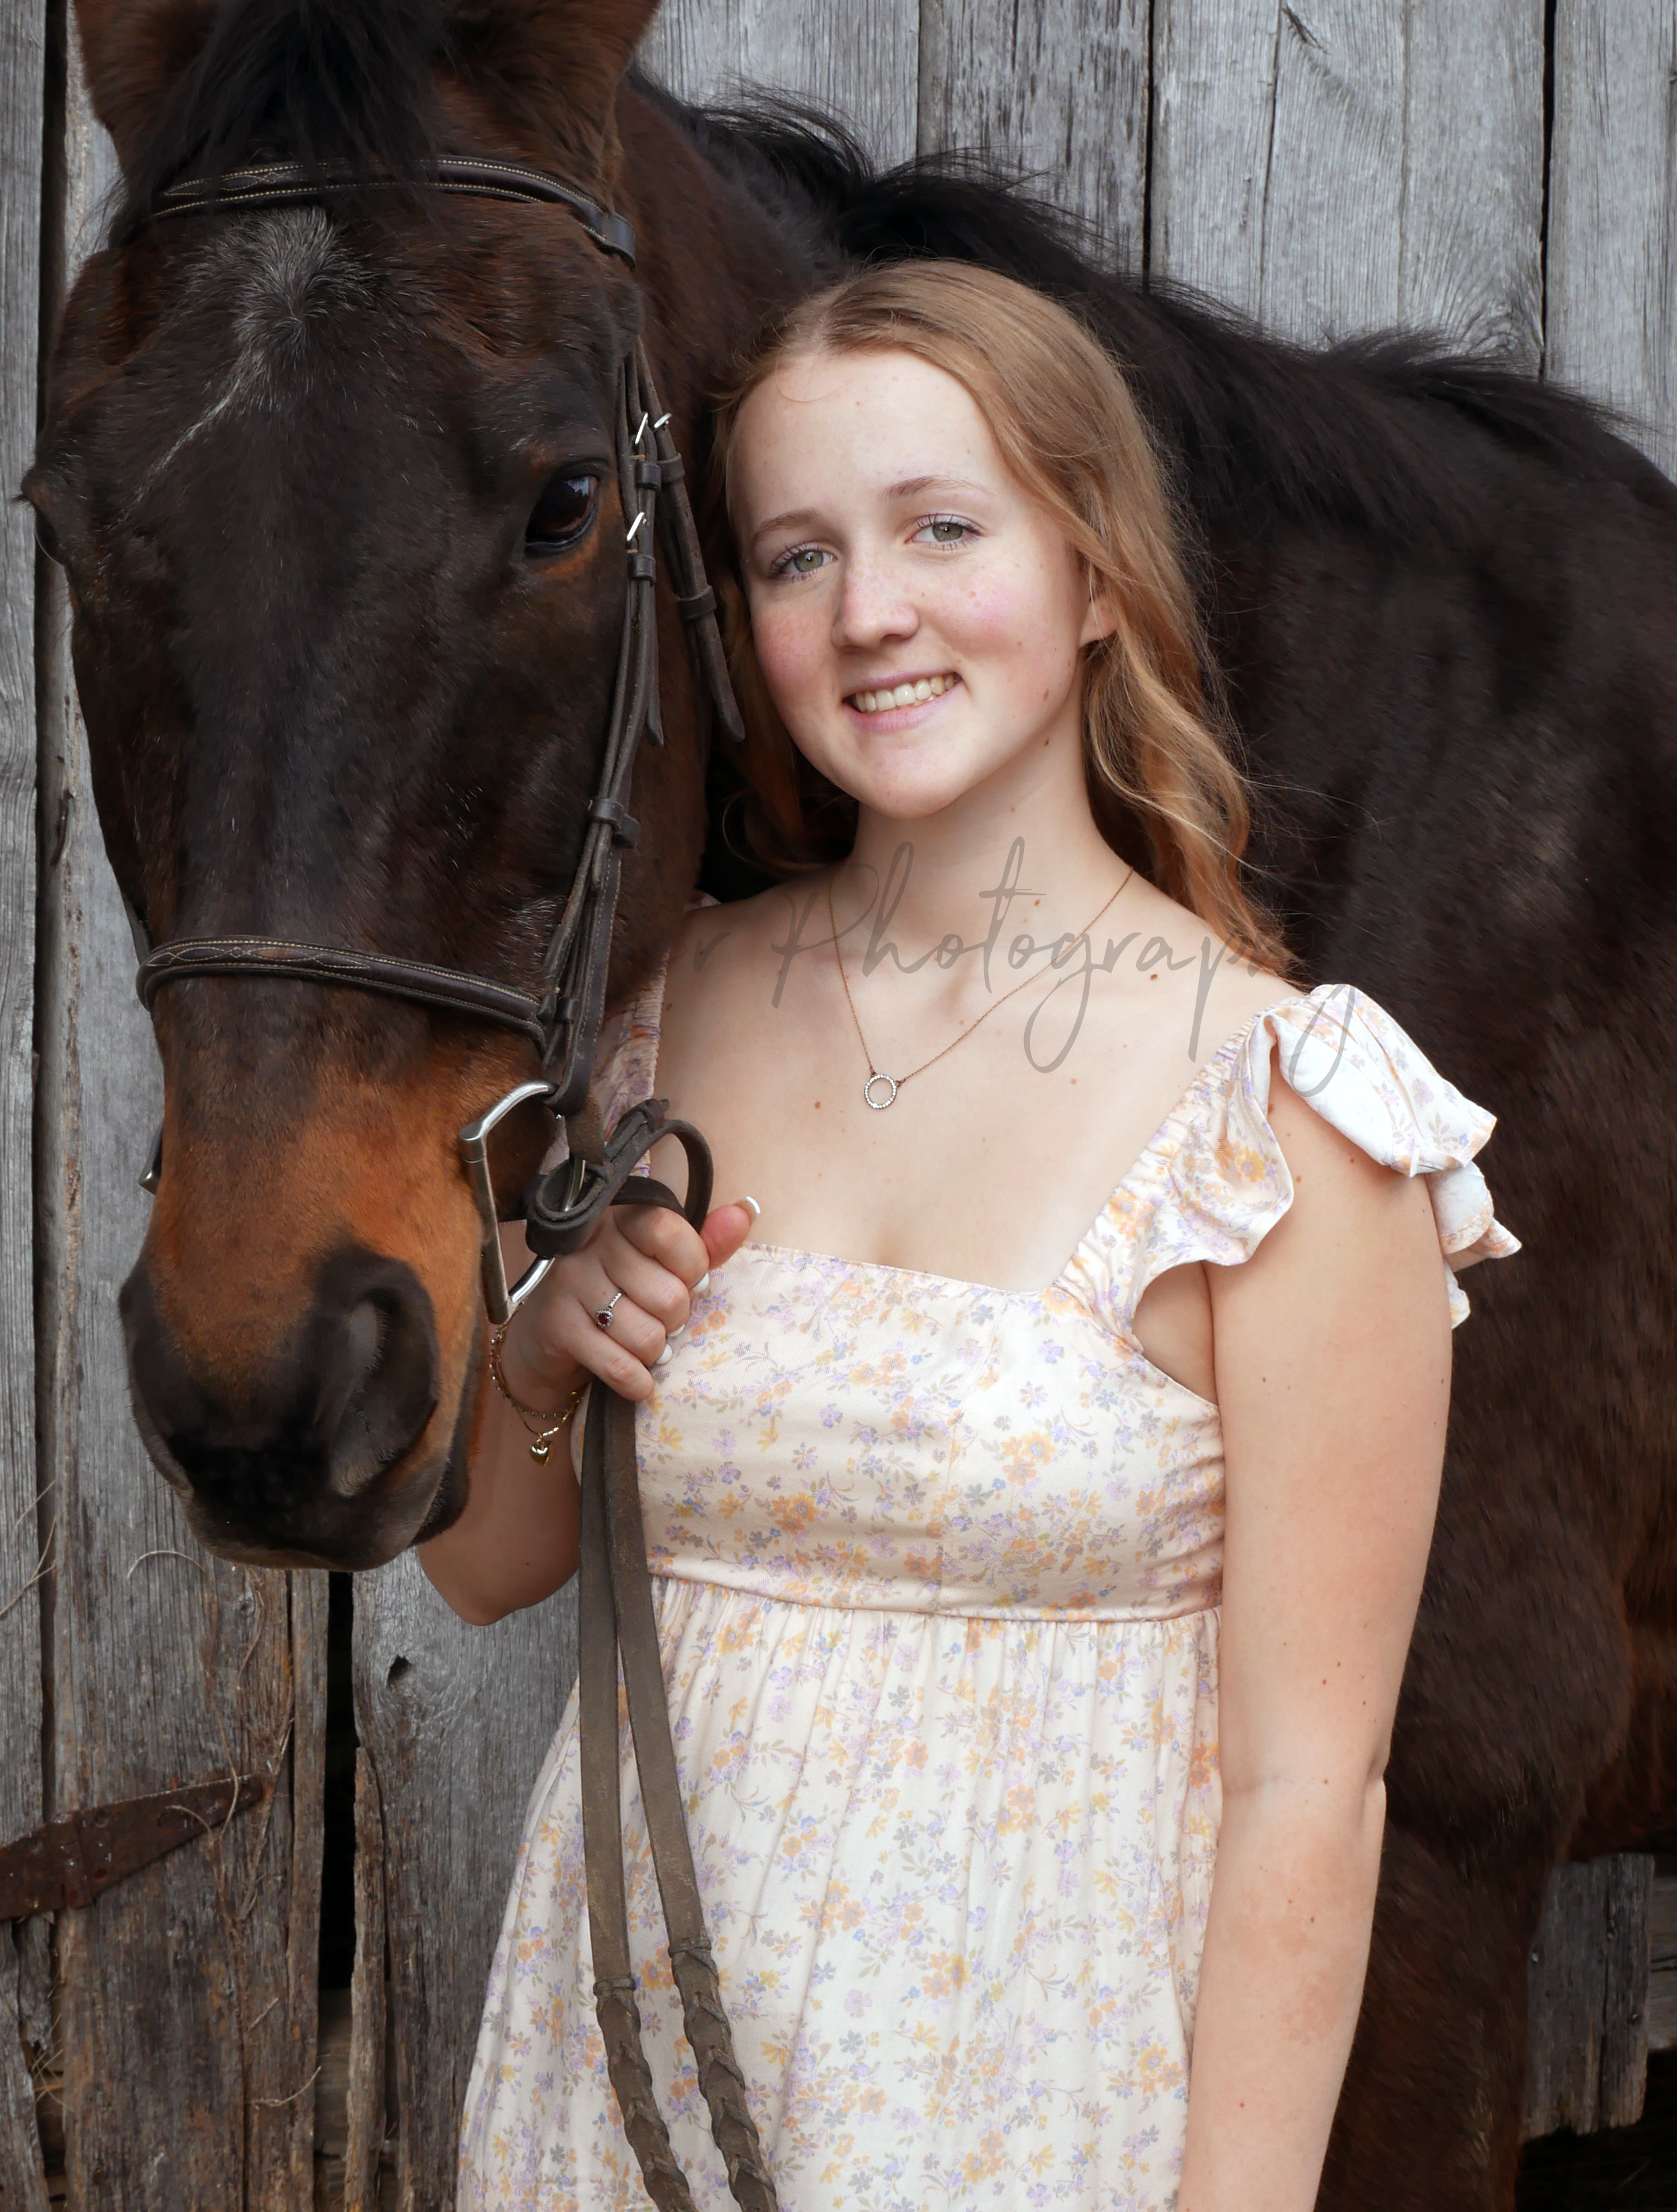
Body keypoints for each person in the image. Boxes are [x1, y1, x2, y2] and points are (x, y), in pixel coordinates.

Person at [427, 261, 1519, 2212]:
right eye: (794, 557)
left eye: (946, 528)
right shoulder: (666, 1023)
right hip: (635, 2085)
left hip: (1022, 2103)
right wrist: (539, 1343)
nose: (871, 613)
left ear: (1097, 569)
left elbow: (1308, 1793)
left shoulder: (1283, 1122)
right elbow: (492, 1570)